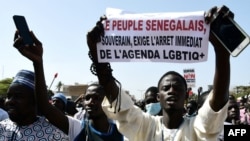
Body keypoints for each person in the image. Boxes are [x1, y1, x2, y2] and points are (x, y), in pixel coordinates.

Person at [86, 6, 230, 141]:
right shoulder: (145, 125)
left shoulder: (196, 127)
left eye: (178, 88)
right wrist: (99, 58)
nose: (172, 91)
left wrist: (222, 50)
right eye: (166, 88)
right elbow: (118, 102)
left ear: (186, 95)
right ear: (158, 97)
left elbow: (216, 105)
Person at [13, 28, 125, 141]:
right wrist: (37, 62)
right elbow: (45, 107)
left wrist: (98, 58)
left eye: (97, 98)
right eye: (87, 98)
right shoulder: (77, 128)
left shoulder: (122, 131)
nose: (91, 102)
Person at [0, 69, 69, 140]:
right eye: (8, 97)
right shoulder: (2, 127)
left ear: (35, 100)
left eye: (18, 96)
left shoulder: (54, 135)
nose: (10, 101)